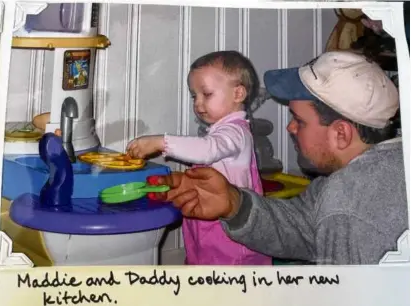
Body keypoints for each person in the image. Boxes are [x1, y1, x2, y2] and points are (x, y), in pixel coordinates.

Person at [148, 51, 408, 265]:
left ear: (341, 134)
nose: (290, 129)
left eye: (299, 120)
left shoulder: (350, 207)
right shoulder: (346, 180)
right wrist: (234, 204)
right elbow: (304, 227)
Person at [127, 50, 271, 265]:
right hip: (211, 219)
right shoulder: (222, 130)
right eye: (194, 96)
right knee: (201, 260)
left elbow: (208, 150)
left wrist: (160, 142)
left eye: (207, 94)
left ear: (238, 94)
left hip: (231, 230)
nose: (197, 103)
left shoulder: (236, 132)